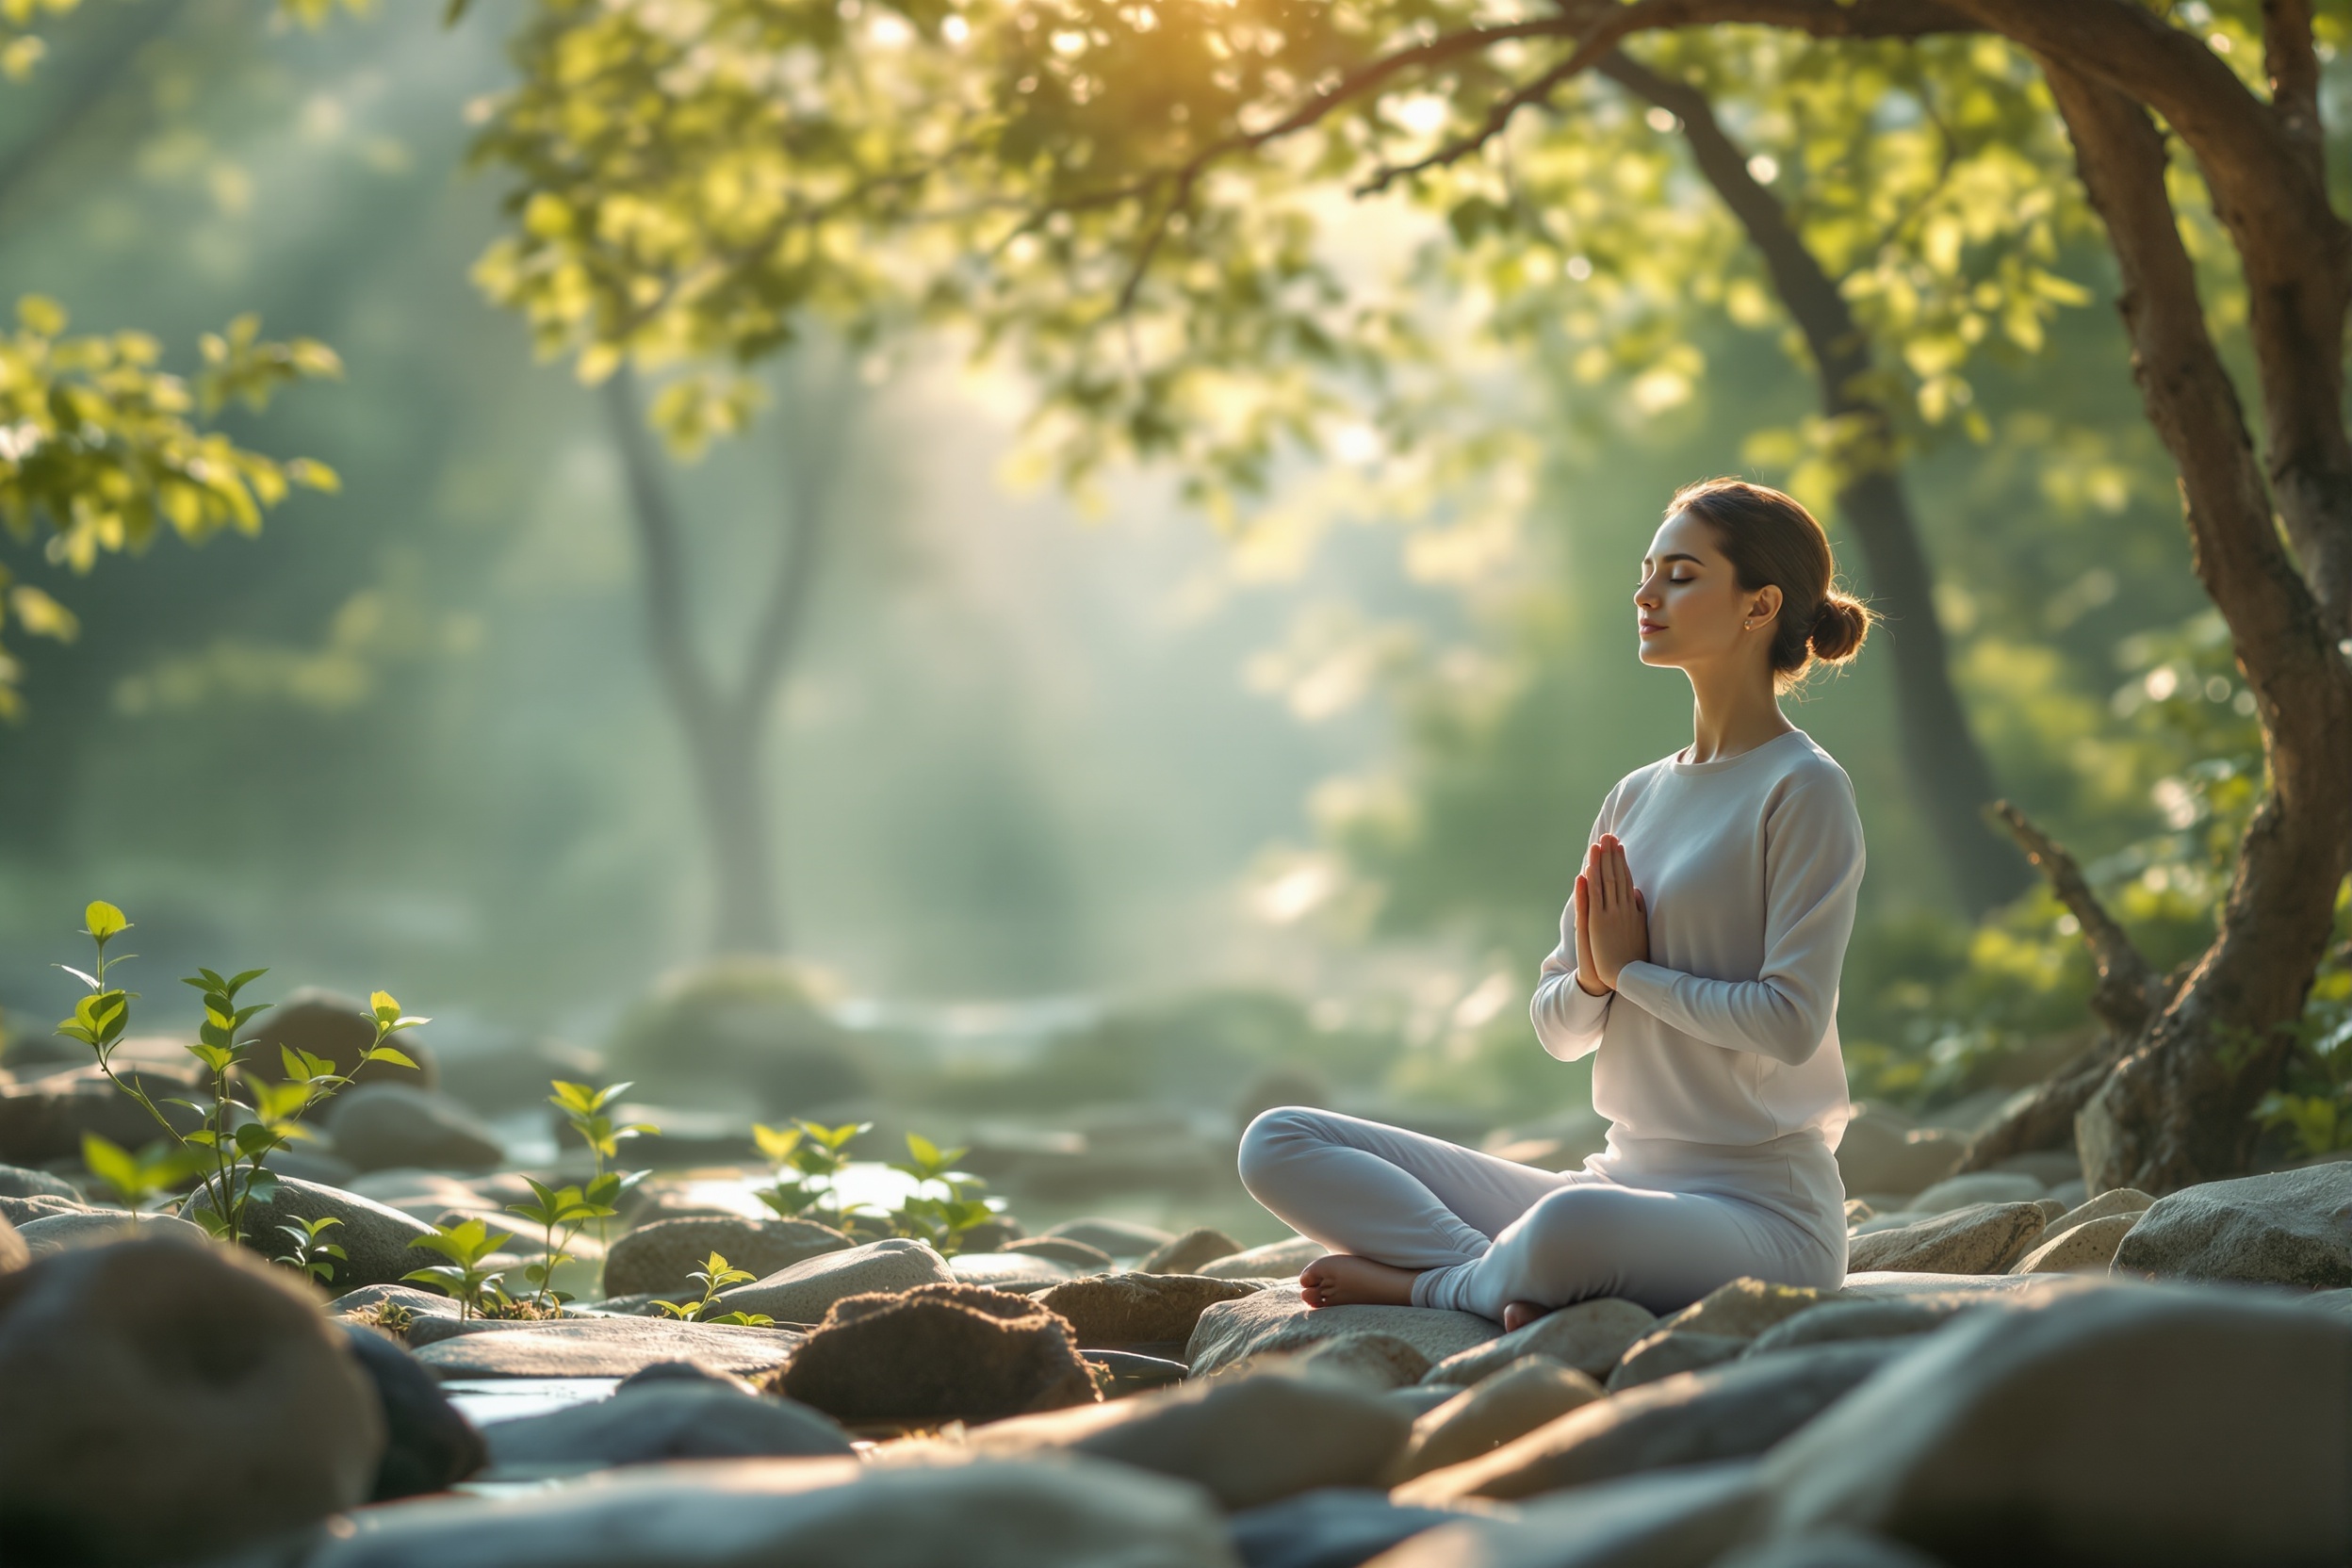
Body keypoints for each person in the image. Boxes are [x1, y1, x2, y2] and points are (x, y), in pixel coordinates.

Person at [1237, 477, 1874, 1328]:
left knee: (1570, 1226)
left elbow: (1791, 1024)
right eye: (1648, 572)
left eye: (1681, 575)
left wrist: (1632, 971)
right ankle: (1495, 1273)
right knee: (1278, 1140)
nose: (1647, 594)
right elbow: (1557, 1026)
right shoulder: (1635, 796)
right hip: (1617, 1181)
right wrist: (1598, 984)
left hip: (1762, 1217)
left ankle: (1435, 1285)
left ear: (1760, 606)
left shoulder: (1804, 789)